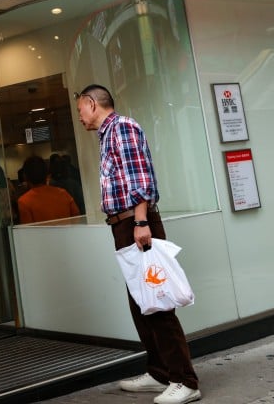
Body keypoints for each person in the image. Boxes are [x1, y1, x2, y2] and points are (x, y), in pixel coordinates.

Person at [75, 84, 201, 404]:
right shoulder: (108, 134)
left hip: (136, 223)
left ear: (92, 103)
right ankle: (160, 372)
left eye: (80, 109)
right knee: (141, 301)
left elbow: (140, 179)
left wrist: (141, 222)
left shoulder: (122, 128)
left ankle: (185, 380)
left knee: (157, 300)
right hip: (125, 224)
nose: (79, 117)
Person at [16, 155, 80, 224]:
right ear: (47, 174)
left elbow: (27, 232)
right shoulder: (63, 193)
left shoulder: (24, 201)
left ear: (25, 176)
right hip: (67, 234)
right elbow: (77, 218)